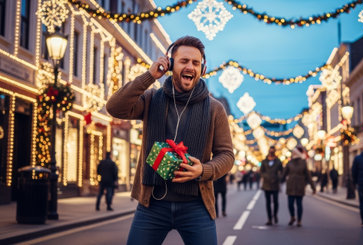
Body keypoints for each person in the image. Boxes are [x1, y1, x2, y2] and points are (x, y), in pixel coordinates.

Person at [106, 36, 234, 245]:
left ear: (202, 69)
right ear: (170, 64)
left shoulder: (215, 108)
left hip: (196, 206)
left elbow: (227, 155)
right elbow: (114, 107)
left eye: (195, 62)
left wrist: (203, 170)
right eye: (184, 61)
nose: (190, 67)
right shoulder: (150, 99)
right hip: (152, 205)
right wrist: (149, 76)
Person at [282, 146, 316, 227]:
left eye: (294, 152)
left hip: (300, 186)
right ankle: (292, 217)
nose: (292, 153)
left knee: (299, 204)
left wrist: (313, 187)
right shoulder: (289, 163)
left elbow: (308, 176)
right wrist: (278, 181)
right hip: (290, 186)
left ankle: (299, 220)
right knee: (290, 204)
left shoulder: (303, 162)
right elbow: (284, 174)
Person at [260, 146, 283, 225]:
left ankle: (275, 215)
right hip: (266, 185)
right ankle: (269, 219)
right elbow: (261, 171)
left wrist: (278, 177)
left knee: (276, 201)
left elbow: (281, 171)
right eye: (270, 151)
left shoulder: (278, 161)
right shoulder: (264, 161)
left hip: (275, 184)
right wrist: (265, 176)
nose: (271, 152)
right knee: (268, 202)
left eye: (273, 151)